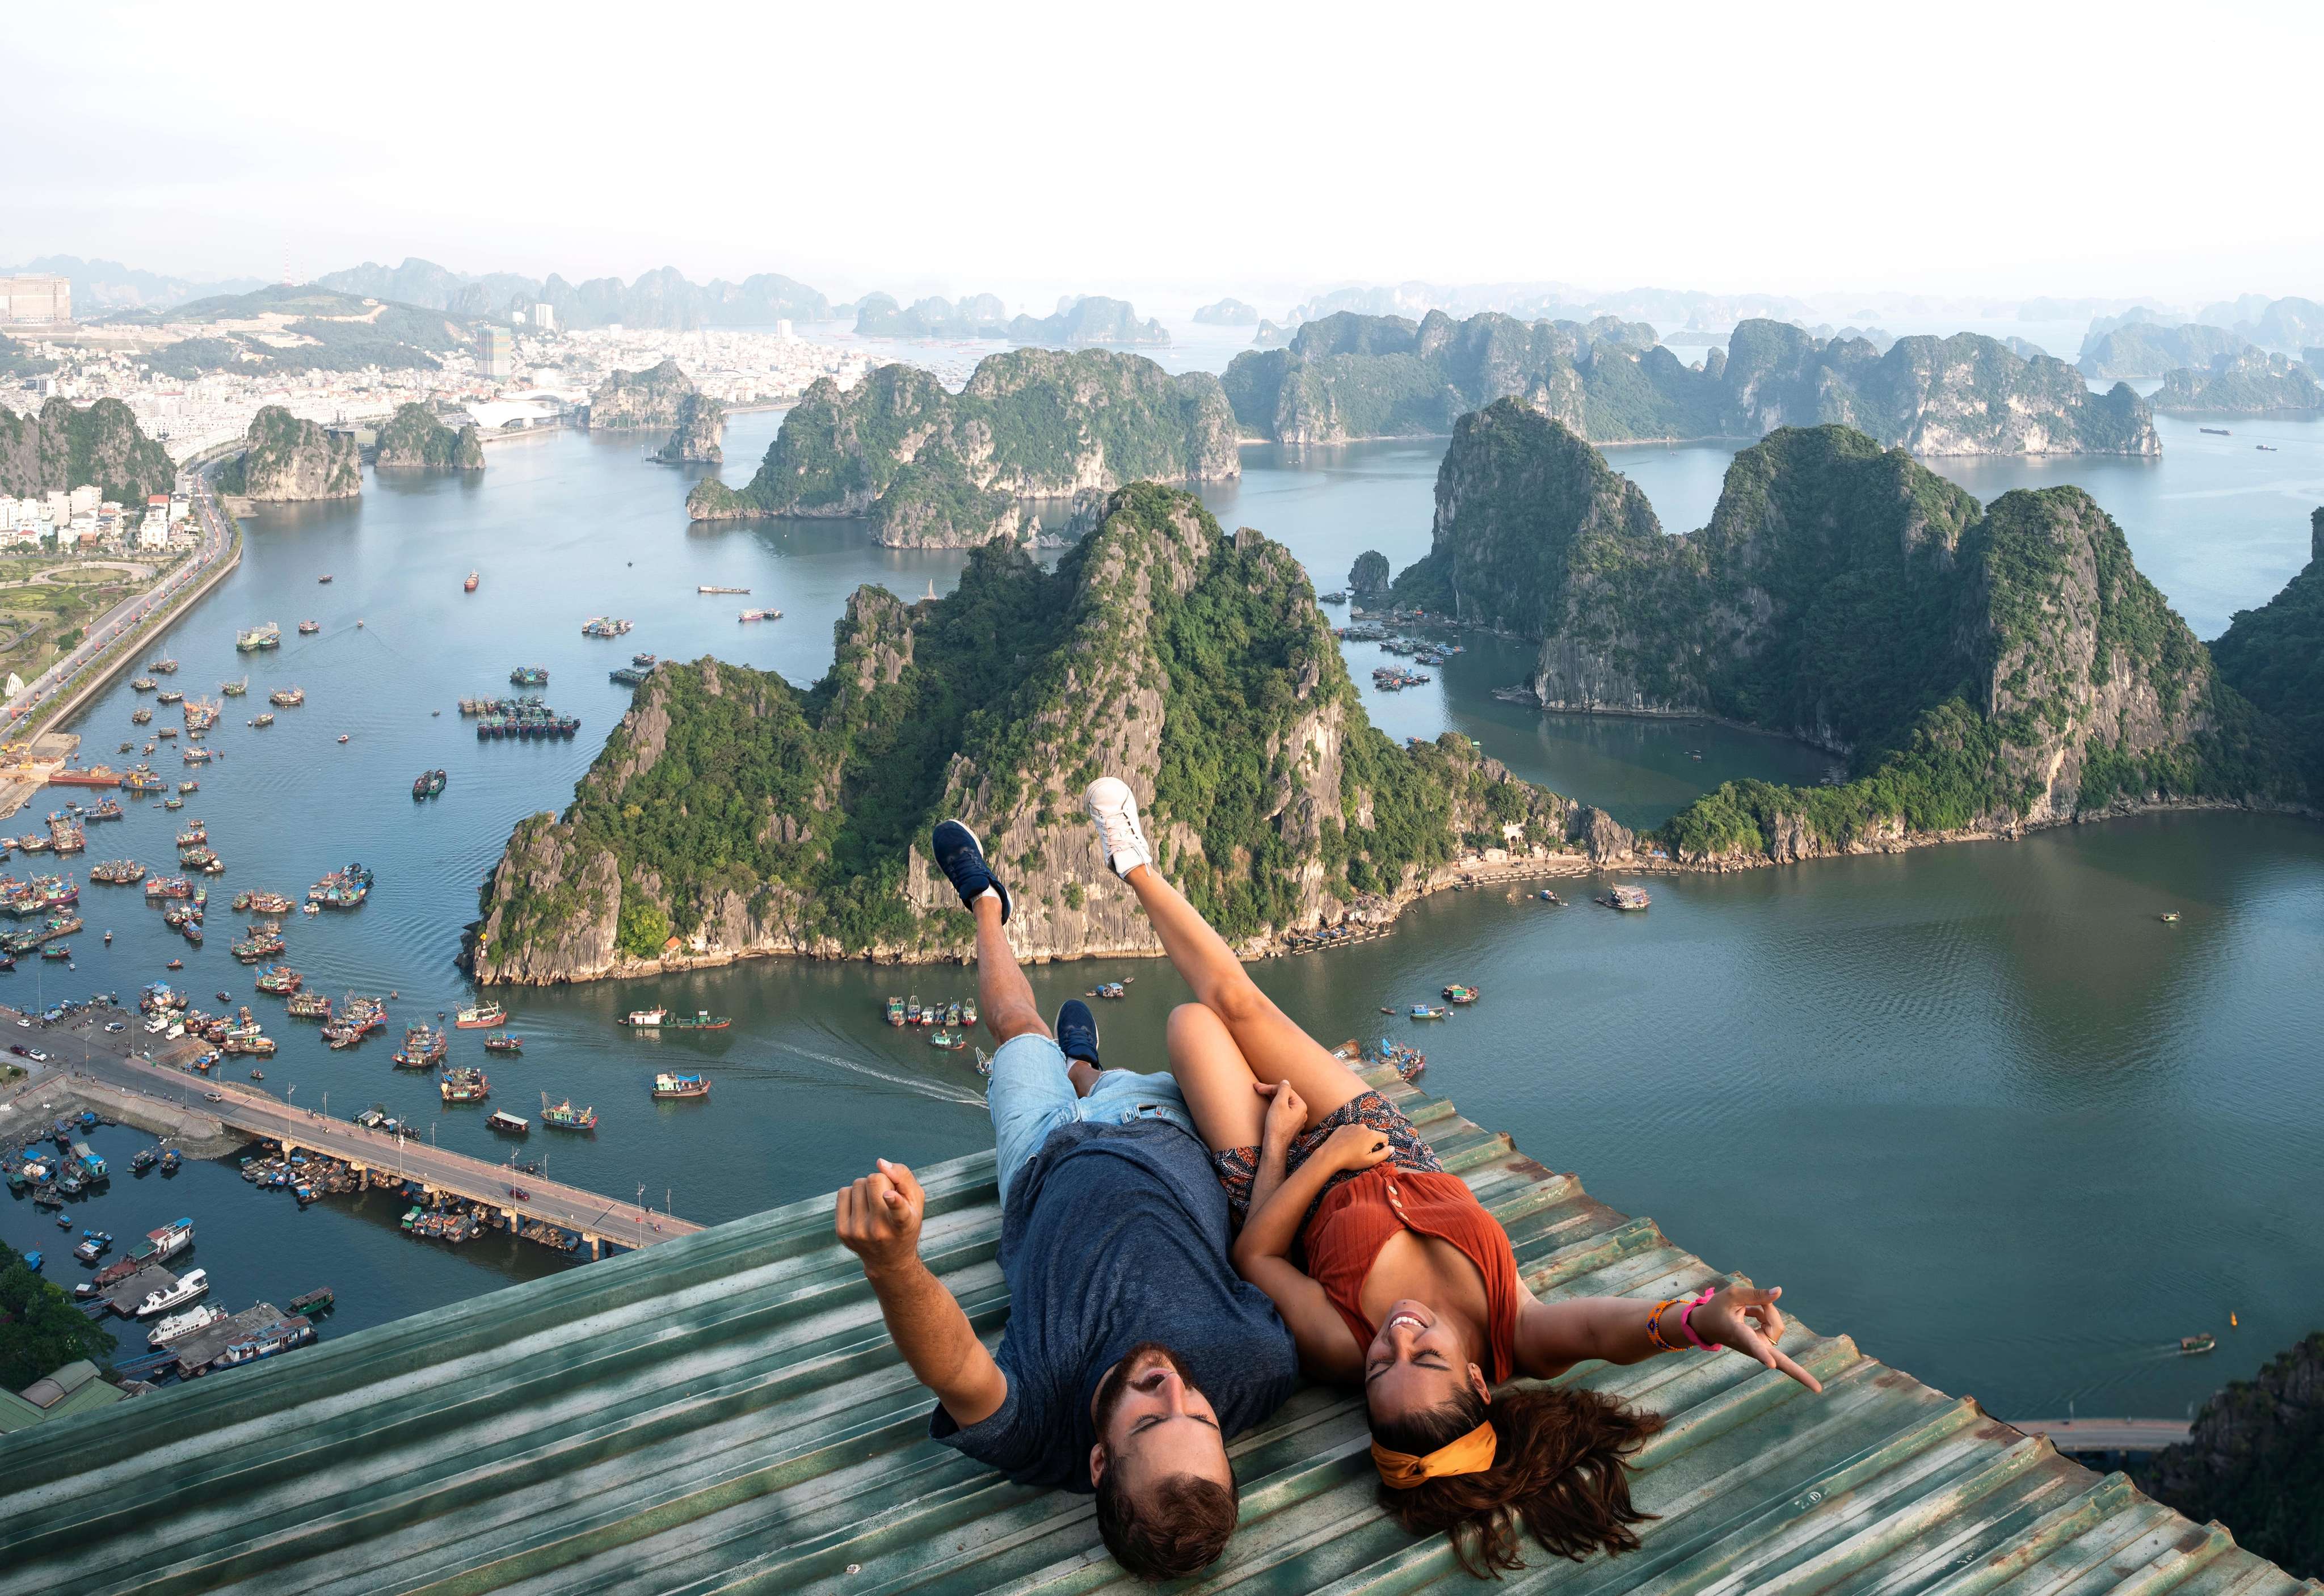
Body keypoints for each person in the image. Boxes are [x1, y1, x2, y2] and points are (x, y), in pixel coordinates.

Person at [1076, 775, 1825, 1577]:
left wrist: (1298, 1142)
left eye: (1380, 1367)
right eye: (1423, 1355)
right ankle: (1136, 863)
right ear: (1477, 1375)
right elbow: (1613, 1330)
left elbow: (1255, 1258)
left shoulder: (1339, 1342)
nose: (1396, 1335)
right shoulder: (1517, 1333)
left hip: (1285, 1178)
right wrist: (1704, 1320)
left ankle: (1083, 1073)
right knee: (1243, 1005)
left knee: (1191, 1023)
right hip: (1389, 1138)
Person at [832, 818, 1299, 1581]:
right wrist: (1275, 1146)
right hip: (1157, 1127)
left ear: (1096, 1459)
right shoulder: (1258, 1366)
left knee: (1018, 1028)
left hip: (1042, 1162)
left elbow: (956, 1369)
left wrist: (894, 1265)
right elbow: (1265, 1248)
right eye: (1203, 1414)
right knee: (1097, 1078)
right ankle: (1085, 1066)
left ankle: (986, 902)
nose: (1175, 1382)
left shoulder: (1042, 1426)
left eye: (1151, 1414)